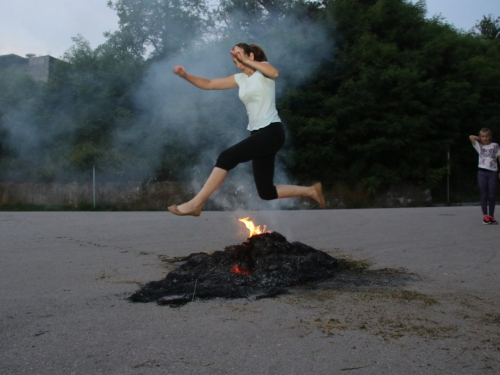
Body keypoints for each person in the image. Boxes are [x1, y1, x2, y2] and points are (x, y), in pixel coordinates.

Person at [167, 43, 326, 216]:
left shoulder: (263, 69)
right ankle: (311, 191)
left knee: (226, 157)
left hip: (271, 132)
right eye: (234, 58)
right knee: (265, 192)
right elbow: (210, 83)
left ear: (251, 56)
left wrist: (248, 61)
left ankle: (196, 204)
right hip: (258, 134)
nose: (237, 60)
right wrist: (185, 76)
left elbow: (275, 73)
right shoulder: (240, 79)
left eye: (240, 55)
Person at [469, 128, 500, 224]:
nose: (485, 138)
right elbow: (471, 137)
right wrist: (480, 138)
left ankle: (491, 216)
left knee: (491, 195)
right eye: (483, 136)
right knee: (484, 194)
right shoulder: (479, 146)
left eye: (486, 136)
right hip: (482, 172)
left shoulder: (495, 145)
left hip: (493, 172)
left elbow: (499, 157)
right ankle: (485, 216)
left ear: (490, 136)